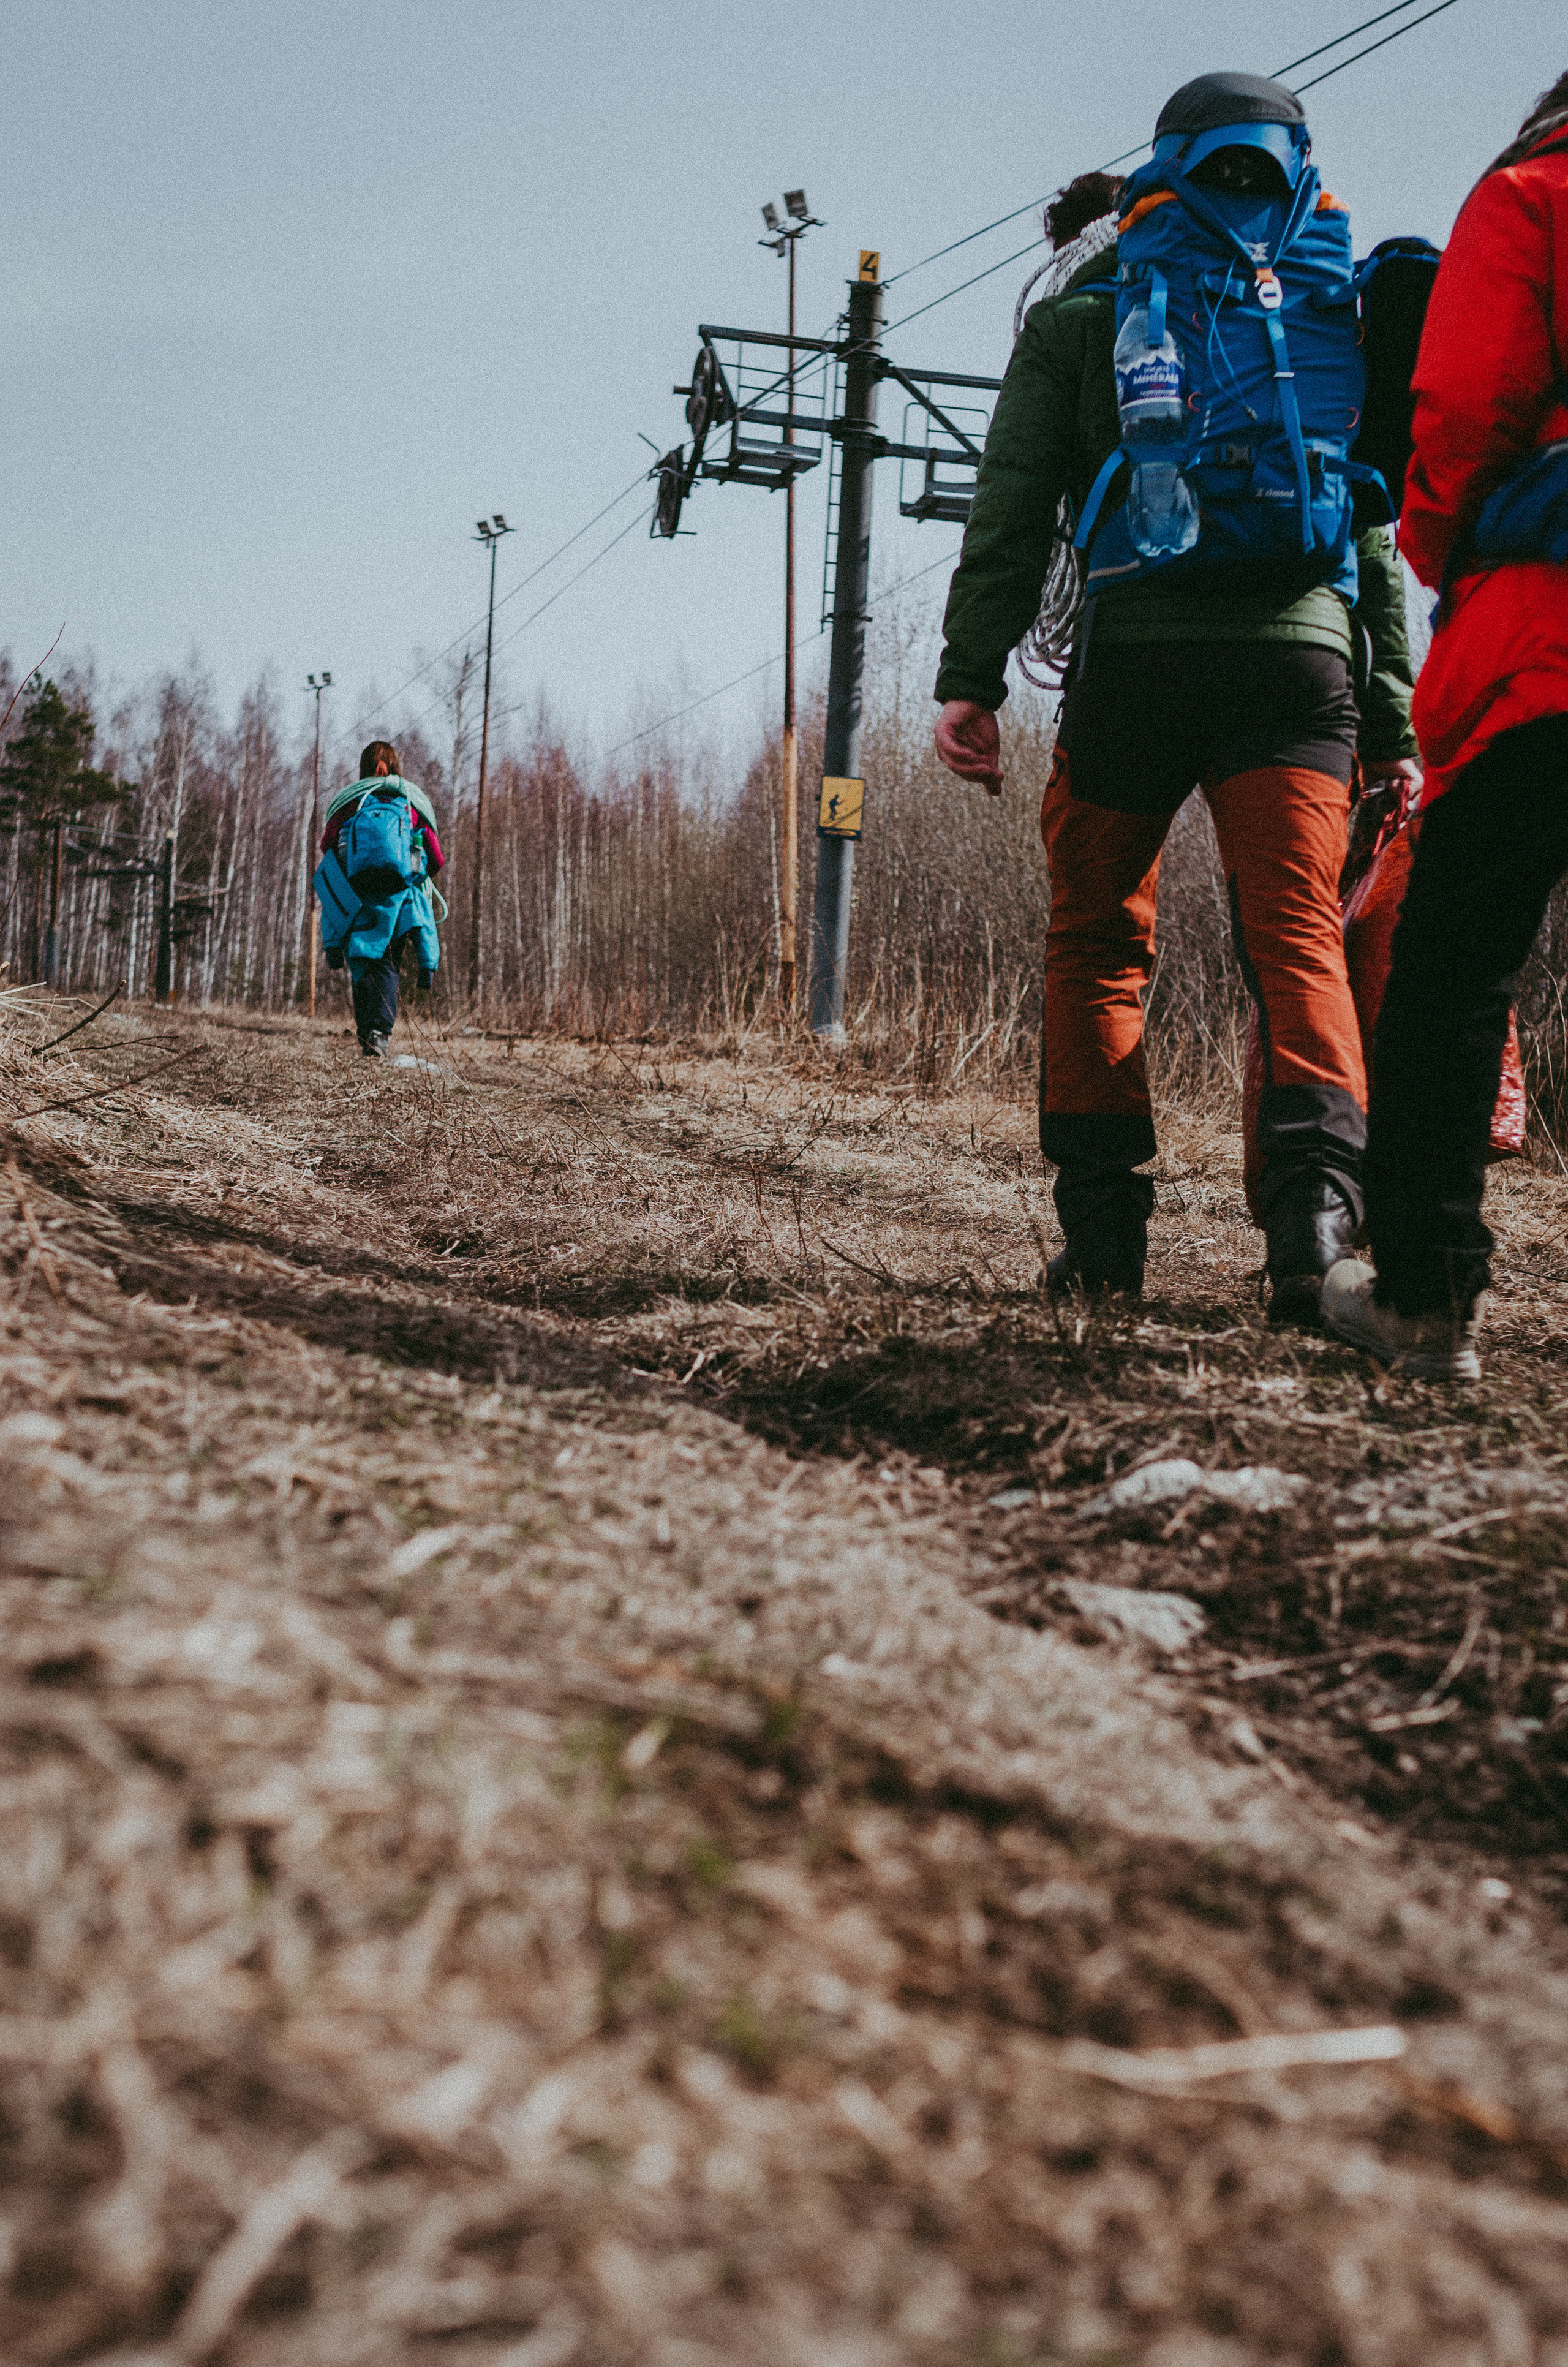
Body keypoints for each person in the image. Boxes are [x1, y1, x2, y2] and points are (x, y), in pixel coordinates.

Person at [934, 72, 1420, 1324]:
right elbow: (1365, 526)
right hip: (1299, 668)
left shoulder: (1085, 316)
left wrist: (969, 680)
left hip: (1134, 663)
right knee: (1295, 939)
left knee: (1097, 938)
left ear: (1161, 170)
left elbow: (1008, 505)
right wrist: (1389, 720)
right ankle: (1311, 1238)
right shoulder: (1322, 313)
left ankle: (1101, 1244)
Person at [1324, 71, 1568, 1380]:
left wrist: (1431, 546)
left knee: (1451, 975)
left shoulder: (1531, 191)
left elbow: (1463, 410)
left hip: (1541, 649)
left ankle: (1421, 1301)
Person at [316, 740, 445, 1057]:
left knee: (361, 963)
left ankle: (366, 1036)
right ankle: (380, 1035)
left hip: (357, 900)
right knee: (389, 964)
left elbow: (326, 847)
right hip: (398, 899)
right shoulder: (410, 805)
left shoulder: (350, 804)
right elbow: (437, 858)